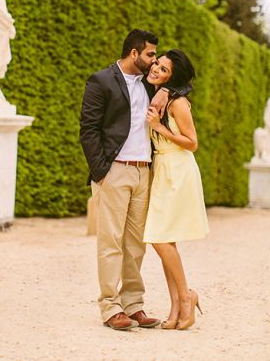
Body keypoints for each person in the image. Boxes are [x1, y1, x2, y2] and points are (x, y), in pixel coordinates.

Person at [79, 29, 169, 331]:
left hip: (145, 172)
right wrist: (102, 172)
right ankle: (110, 307)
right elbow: (88, 130)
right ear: (134, 53)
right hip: (114, 171)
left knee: (135, 245)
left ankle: (133, 305)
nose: (154, 60)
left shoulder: (150, 84)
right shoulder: (101, 80)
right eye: (150, 54)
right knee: (111, 242)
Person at [143, 49, 209, 331]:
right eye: (157, 63)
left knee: (159, 239)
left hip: (178, 170)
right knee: (165, 240)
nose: (156, 68)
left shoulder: (178, 103)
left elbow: (192, 142)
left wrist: (159, 127)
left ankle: (186, 295)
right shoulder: (159, 94)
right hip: (163, 168)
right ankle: (175, 306)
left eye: (164, 69)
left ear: (173, 77)